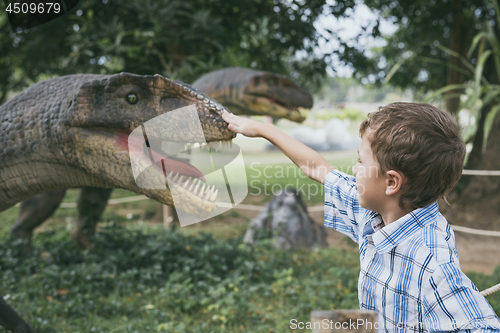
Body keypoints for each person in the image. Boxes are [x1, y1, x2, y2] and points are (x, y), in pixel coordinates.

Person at [221, 102, 500, 332]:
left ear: (391, 183)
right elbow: (319, 169)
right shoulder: (374, 212)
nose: (354, 170)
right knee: (322, 325)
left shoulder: (433, 265)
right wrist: (263, 129)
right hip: (376, 323)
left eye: (361, 162)